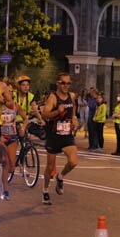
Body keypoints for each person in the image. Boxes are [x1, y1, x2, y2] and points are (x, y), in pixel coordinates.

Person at [39, 72, 78, 205]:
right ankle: (45, 190)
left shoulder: (71, 97)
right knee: (50, 167)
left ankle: (60, 177)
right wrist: (57, 111)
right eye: (63, 83)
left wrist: (74, 119)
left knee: (73, 162)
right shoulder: (53, 98)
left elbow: (73, 111)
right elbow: (44, 115)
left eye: (68, 83)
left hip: (67, 135)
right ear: (57, 83)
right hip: (54, 136)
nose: (66, 86)